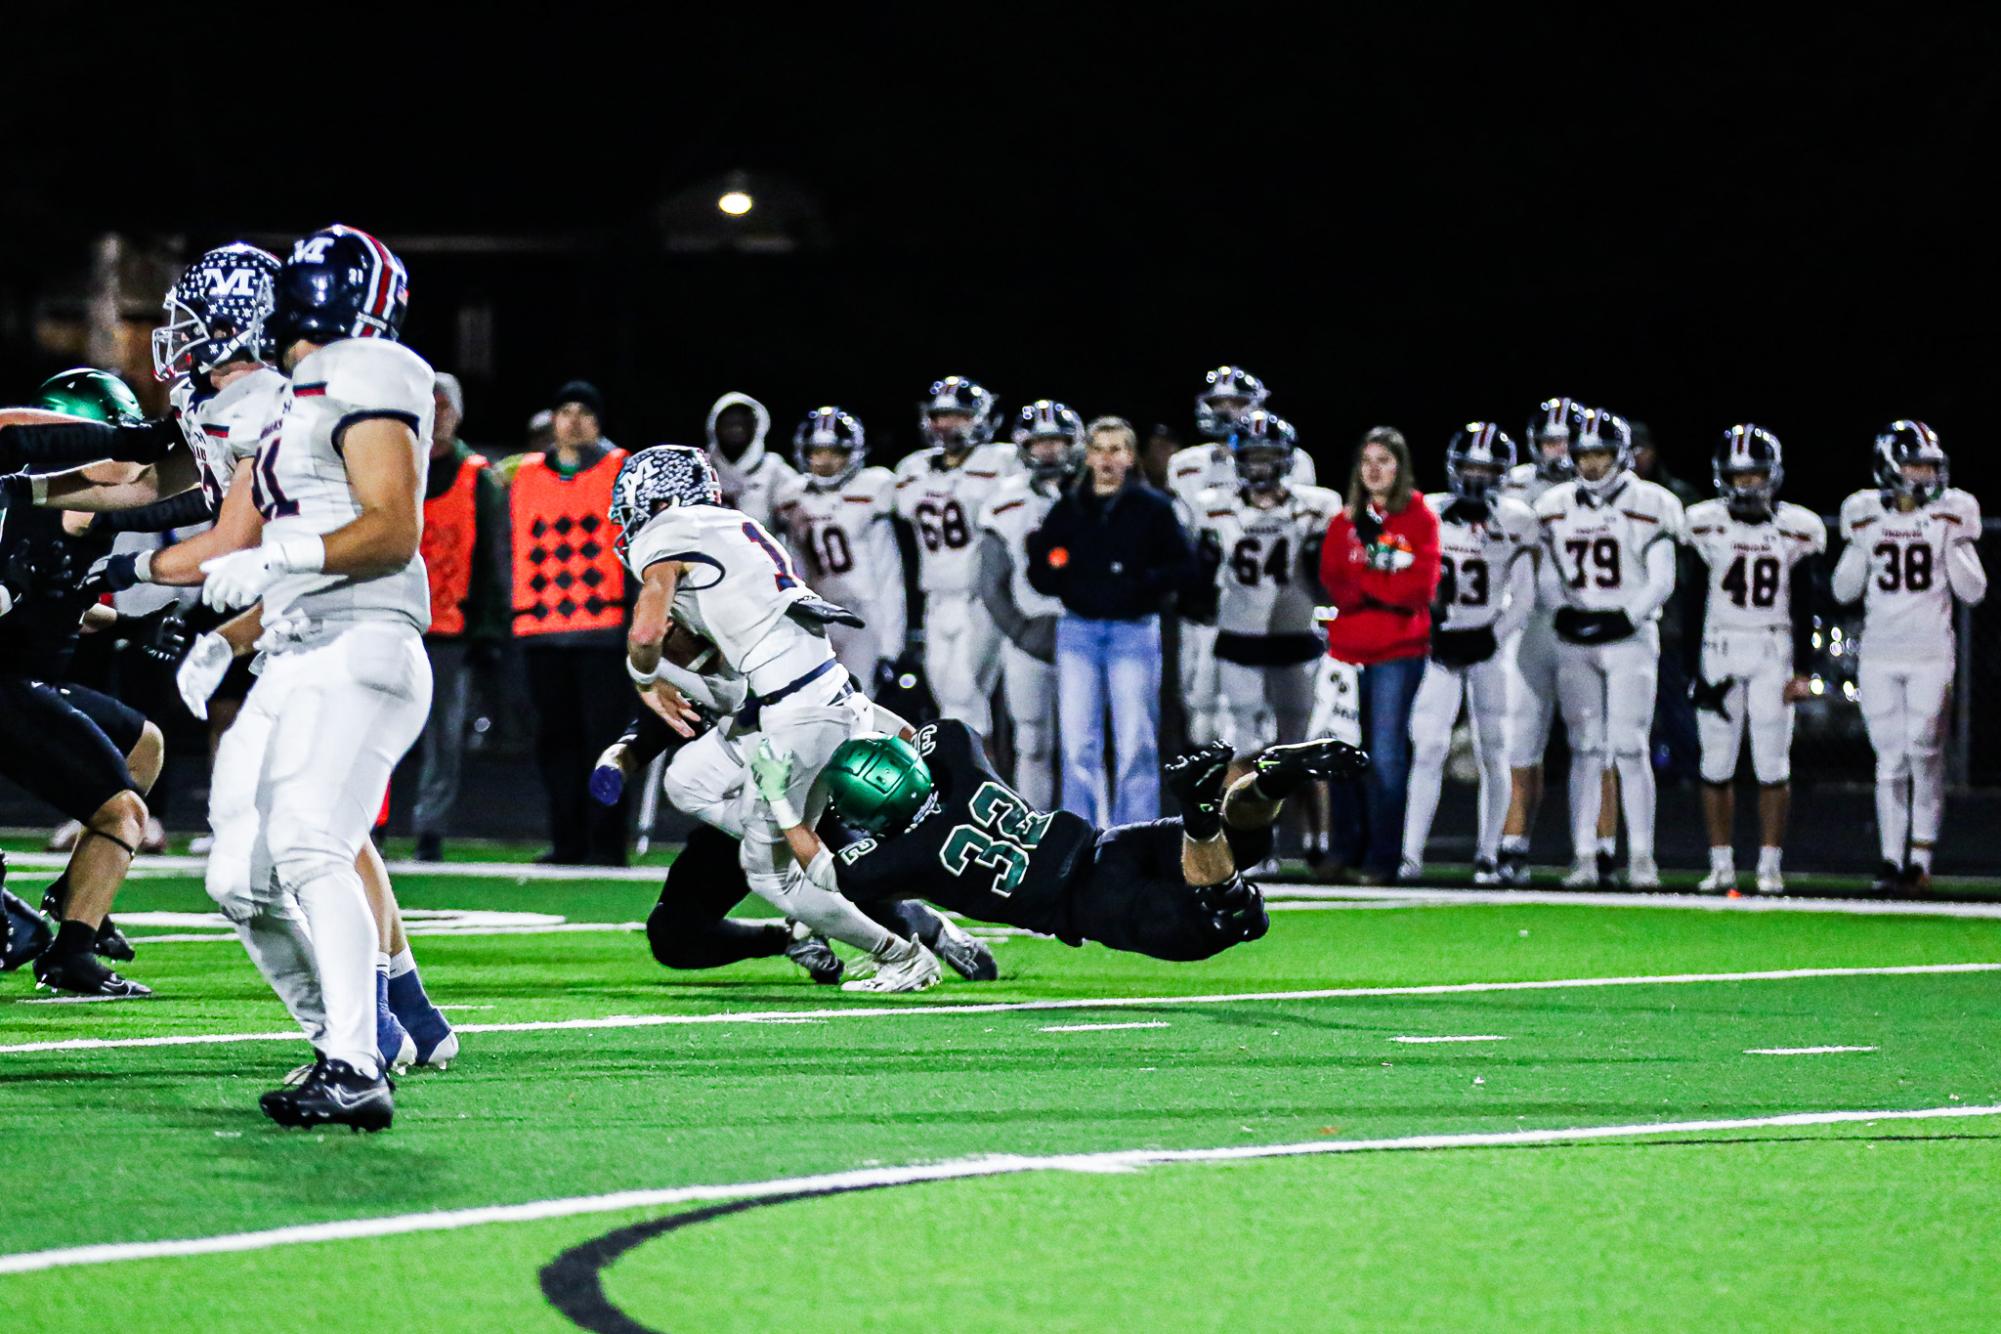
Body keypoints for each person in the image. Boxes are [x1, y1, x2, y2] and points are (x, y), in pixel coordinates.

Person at [192, 224, 439, 1130]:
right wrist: (234, 634)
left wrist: (276, 555)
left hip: (362, 642)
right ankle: (351, 1039)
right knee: (237, 880)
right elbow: (280, 547)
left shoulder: (370, 368)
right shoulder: (291, 396)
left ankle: (354, 1060)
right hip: (296, 645)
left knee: (307, 848)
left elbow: (389, 531)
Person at [611, 443, 943, 992]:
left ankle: (899, 954)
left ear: (654, 496)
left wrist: (645, 676)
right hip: (818, 692)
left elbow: (646, 633)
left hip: (795, 713)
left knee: (770, 873)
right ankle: (845, 878)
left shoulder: (665, 532)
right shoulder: (733, 524)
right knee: (689, 778)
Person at [748, 721, 1366, 962]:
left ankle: (1198, 813)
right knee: (1241, 846)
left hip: (1088, 905)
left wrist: (780, 799)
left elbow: (824, 870)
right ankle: (1272, 778)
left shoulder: (898, 855)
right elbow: (921, 734)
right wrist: (865, 723)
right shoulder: (959, 760)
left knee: (1234, 918)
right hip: (1110, 844)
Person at [0, 370, 185, 996]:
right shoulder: (50, 497)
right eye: (112, 440)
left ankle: (82, 898)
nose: (122, 457)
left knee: (145, 746)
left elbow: (60, 603)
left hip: (27, 680)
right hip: (8, 687)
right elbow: (162, 493)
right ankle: (71, 951)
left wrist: (130, 624)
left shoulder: (46, 502)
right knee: (124, 812)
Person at [1831, 421, 1985, 893]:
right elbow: (1843, 589)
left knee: (1924, 750)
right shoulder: (1862, 512)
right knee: (1890, 759)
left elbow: (1973, 591)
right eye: (1915, 464)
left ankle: (1920, 856)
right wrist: (1862, 543)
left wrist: (1953, 542)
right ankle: (1890, 859)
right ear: (1889, 466)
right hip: (1879, 652)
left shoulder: (1952, 511)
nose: (1924, 474)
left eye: (1929, 465)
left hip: (1930, 650)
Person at [1535, 408, 1685, 888]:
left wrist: (1623, 617)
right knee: (1585, 748)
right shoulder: (1555, 503)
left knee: (1630, 746)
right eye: (1584, 454)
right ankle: (1585, 854)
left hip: (1630, 639)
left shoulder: (1652, 502)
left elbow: (1662, 580)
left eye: (1600, 453)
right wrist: (1564, 611)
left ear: (1619, 456)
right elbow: (1545, 574)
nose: (1592, 464)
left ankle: (1641, 857)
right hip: (1576, 638)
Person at [1028, 416, 1197, 827]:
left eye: (1116, 449)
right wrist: (1063, 577)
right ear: (1087, 456)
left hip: (1133, 629)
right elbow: (1039, 564)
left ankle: (1134, 835)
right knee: (1077, 743)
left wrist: (1141, 585)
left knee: (1135, 742)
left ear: (1130, 456)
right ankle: (1081, 835)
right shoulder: (1068, 506)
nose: (1107, 459)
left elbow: (1183, 564)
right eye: (1099, 449)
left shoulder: (1153, 507)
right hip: (1078, 629)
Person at [1683, 425, 1825, 894]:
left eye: (1755, 475)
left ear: (1773, 476)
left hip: (1773, 647)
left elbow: (1806, 601)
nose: (1746, 485)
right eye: (1738, 476)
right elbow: (1692, 599)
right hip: (1719, 647)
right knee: (1716, 763)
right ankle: (1720, 864)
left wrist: (1805, 668)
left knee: (1772, 764)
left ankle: (1769, 866)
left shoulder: (1797, 527)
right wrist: (1691, 670)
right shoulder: (1703, 522)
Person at [1400, 423, 1537, 884]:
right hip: (1437, 644)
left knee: (1493, 750)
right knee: (1429, 746)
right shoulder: (1428, 511)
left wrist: (1492, 636)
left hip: (1485, 645)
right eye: (1469, 467)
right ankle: (1410, 855)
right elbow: (1403, 576)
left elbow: (1524, 596)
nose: (1476, 477)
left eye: (1486, 469)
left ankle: (1488, 854)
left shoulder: (1517, 518)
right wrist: (1428, 625)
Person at [509, 379, 631, 865]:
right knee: (556, 743)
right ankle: (567, 841)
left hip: (603, 632)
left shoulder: (622, 469)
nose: (574, 420)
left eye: (585, 411)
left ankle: (606, 844)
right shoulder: (523, 475)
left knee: (605, 743)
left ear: (598, 421)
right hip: (540, 630)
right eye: (565, 410)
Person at [1166, 366, 1320, 748]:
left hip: (1270, 598)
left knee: (1264, 713)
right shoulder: (1186, 465)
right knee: (1199, 705)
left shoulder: (1296, 461)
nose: (1226, 412)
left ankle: (1256, 791)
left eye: (1236, 403)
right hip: (1211, 596)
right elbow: (1185, 538)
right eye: (1218, 403)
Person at [1313, 426, 1440, 883]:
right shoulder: (1344, 520)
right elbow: (1334, 583)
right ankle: (1345, 849)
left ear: (1401, 467)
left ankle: (1383, 859)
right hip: (1347, 652)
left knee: (1386, 757)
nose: (1374, 470)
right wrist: (1379, 582)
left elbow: (1419, 589)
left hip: (1398, 651)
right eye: (1367, 461)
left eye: (1384, 461)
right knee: (1343, 755)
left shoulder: (1420, 518)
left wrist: (1367, 575)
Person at [1496, 396, 1610, 884]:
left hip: (1586, 623)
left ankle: (1595, 849)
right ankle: (1513, 843)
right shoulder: (1517, 483)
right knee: (1521, 738)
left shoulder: (1610, 490)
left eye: (1565, 441)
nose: (1558, 451)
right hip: (1531, 622)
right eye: (1548, 441)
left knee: (1593, 741)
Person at [411, 373, 509, 861]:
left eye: (445, 406)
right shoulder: (391, 462)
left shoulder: (478, 476)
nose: (437, 414)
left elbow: (495, 559)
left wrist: (488, 630)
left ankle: (430, 829)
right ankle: (373, 825)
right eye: (429, 404)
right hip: (393, 621)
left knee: (443, 736)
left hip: (451, 627)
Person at [975, 400, 1084, 811]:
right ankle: (1034, 831)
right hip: (1030, 631)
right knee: (1032, 740)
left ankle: (1092, 829)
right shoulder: (1004, 500)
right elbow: (991, 582)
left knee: (1085, 741)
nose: (1050, 452)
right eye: (1040, 443)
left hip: (1090, 630)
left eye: (1057, 442)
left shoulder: (1095, 493)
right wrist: (1020, 630)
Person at [893, 376, 1016, 734]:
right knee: (946, 700)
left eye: (958, 415)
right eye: (940, 416)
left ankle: (977, 779)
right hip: (935, 599)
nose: (946, 425)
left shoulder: (1002, 461)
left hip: (980, 599)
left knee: (965, 697)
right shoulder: (912, 469)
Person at [771, 407, 905, 690]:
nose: (824, 460)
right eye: (816, 452)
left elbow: (889, 573)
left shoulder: (872, 489)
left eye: (834, 452)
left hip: (861, 614)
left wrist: (890, 647)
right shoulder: (791, 497)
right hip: (814, 612)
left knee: (859, 700)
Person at [706, 392, 797, 534]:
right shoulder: (701, 470)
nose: (735, 428)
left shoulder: (775, 471)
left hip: (762, 553)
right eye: (728, 422)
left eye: (742, 423)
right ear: (714, 426)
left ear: (757, 427)